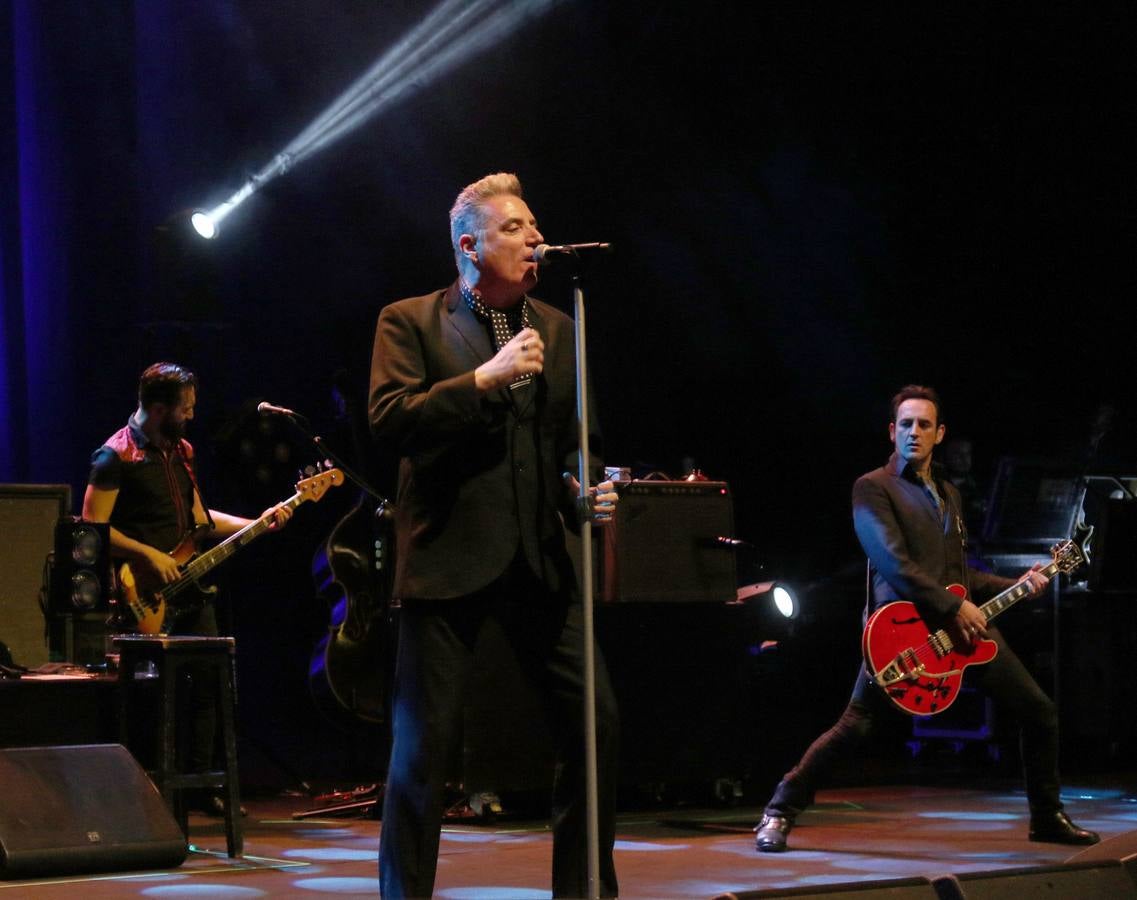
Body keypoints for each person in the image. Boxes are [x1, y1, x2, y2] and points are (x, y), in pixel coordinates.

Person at [369, 172, 620, 898]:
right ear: (469, 245)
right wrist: (482, 380)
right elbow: (391, 421)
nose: (534, 237)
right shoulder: (410, 321)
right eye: (515, 228)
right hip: (448, 558)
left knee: (595, 726)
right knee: (423, 752)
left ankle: (584, 891)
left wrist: (586, 484)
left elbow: (584, 442)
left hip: (542, 558)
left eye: (535, 226)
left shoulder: (561, 325)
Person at [753, 385, 1099, 852]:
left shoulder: (950, 496)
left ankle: (1046, 816)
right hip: (900, 630)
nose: (914, 432)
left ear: (940, 434)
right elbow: (894, 562)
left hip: (960, 627)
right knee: (856, 726)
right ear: (892, 431)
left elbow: (960, 574)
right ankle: (778, 811)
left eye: (924, 425)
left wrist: (1019, 582)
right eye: (906, 424)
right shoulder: (873, 487)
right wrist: (954, 606)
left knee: (1039, 711)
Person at [82, 361, 291, 814]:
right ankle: (145, 794)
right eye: (186, 409)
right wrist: (148, 555)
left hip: (189, 586)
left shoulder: (183, 451)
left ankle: (200, 785)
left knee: (210, 686)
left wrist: (258, 522)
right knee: (148, 700)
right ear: (158, 410)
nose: (192, 416)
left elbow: (202, 520)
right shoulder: (114, 457)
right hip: (143, 595)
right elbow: (92, 530)